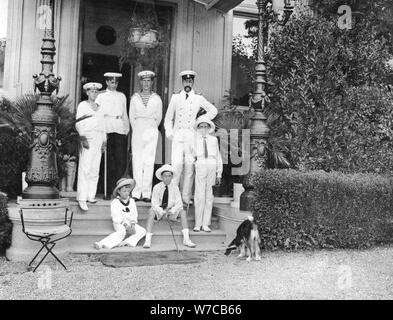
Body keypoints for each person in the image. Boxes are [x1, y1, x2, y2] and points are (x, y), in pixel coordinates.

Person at [164, 70, 217, 205]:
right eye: (185, 81)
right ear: (182, 82)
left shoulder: (198, 98)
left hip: (191, 136)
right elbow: (168, 118)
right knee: (176, 166)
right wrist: (169, 132)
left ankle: (185, 197)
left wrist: (200, 120)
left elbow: (213, 110)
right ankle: (172, 198)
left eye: (190, 81)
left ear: (193, 82)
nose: (188, 83)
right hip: (178, 136)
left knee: (189, 168)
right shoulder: (175, 97)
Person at [143, 164, 196, 249]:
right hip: (159, 210)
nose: (167, 178)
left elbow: (179, 203)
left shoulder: (175, 188)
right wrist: (162, 211)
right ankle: (148, 239)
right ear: (161, 177)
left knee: (183, 212)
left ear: (172, 177)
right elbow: (154, 203)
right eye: (165, 176)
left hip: (171, 210)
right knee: (151, 212)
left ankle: (186, 239)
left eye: (169, 176)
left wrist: (171, 211)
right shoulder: (157, 187)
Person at [129, 70, 162, 202]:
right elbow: (131, 116)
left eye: (149, 81)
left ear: (152, 82)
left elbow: (159, 117)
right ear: (140, 82)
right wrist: (137, 127)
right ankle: (137, 191)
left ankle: (147, 192)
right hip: (138, 128)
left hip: (151, 128)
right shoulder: (135, 98)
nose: (146, 84)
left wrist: (152, 127)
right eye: (144, 81)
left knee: (149, 160)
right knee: (137, 160)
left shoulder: (157, 98)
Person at [95, 72, 129, 195]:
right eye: (112, 82)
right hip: (107, 127)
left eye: (116, 82)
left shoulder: (122, 96)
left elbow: (124, 113)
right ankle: (107, 189)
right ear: (107, 82)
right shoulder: (101, 96)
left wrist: (126, 128)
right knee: (107, 160)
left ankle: (119, 189)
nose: (114, 85)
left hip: (119, 127)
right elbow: (98, 115)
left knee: (120, 160)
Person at [75, 82, 106, 212]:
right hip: (88, 137)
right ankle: (82, 197)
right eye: (91, 91)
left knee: (95, 168)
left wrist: (104, 141)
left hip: (98, 138)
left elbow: (103, 125)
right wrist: (83, 137)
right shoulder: (83, 105)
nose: (93, 93)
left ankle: (90, 195)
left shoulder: (100, 107)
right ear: (87, 92)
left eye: (96, 91)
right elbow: (78, 123)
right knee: (85, 167)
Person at [189, 116, 222, 232]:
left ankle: (206, 223)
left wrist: (219, 173)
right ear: (197, 128)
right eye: (201, 127)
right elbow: (191, 154)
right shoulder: (194, 140)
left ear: (209, 128)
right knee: (199, 194)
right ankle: (198, 224)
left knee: (209, 195)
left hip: (212, 163)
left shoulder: (213, 140)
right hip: (201, 162)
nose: (203, 129)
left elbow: (218, 156)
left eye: (205, 126)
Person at [94, 178, 146, 249]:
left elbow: (134, 214)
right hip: (119, 223)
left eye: (128, 191)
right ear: (119, 191)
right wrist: (126, 226)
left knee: (142, 231)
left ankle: (127, 241)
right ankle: (101, 243)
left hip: (130, 222)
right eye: (124, 191)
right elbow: (116, 217)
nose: (126, 193)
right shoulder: (115, 202)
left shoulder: (132, 201)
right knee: (122, 232)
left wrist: (133, 225)